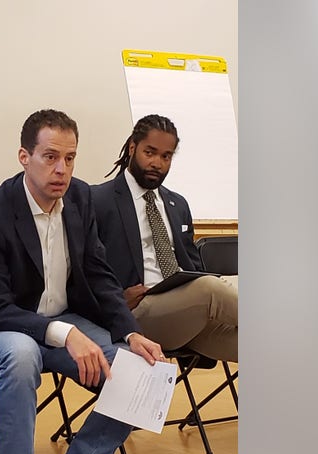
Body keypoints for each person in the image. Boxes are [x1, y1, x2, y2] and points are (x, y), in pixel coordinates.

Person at [0, 109, 164, 454]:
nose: (61, 169)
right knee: (23, 355)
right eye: (49, 157)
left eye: (70, 158)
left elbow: (99, 274)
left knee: (145, 369)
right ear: (24, 157)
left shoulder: (80, 199)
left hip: (63, 319)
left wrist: (130, 333)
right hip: (1, 327)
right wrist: (62, 333)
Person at [92, 114, 237, 362]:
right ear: (132, 148)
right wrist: (116, 300)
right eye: (150, 152)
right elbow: (86, 270)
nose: (157, 163)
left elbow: (194, 267)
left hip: (187, 316)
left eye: (166, 156)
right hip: (137, 314)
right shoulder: (98, 200)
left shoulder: (177, 204)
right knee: (210, 288)